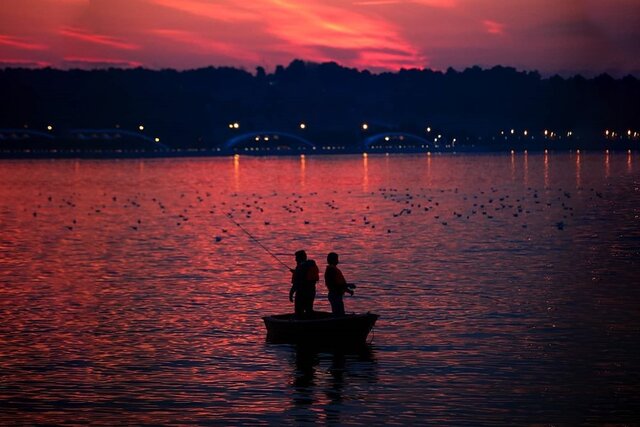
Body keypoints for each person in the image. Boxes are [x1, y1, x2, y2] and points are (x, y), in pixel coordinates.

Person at [289, 250, 319, 318]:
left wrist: (291, 294)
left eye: (296, 258)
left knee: (299, 312)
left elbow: (296, 283)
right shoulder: (310, 265)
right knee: (309, 310)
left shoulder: (300, 268)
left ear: (300, 258)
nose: (295, 259)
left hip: (301, 293)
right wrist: (296, 272)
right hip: (311, 292)